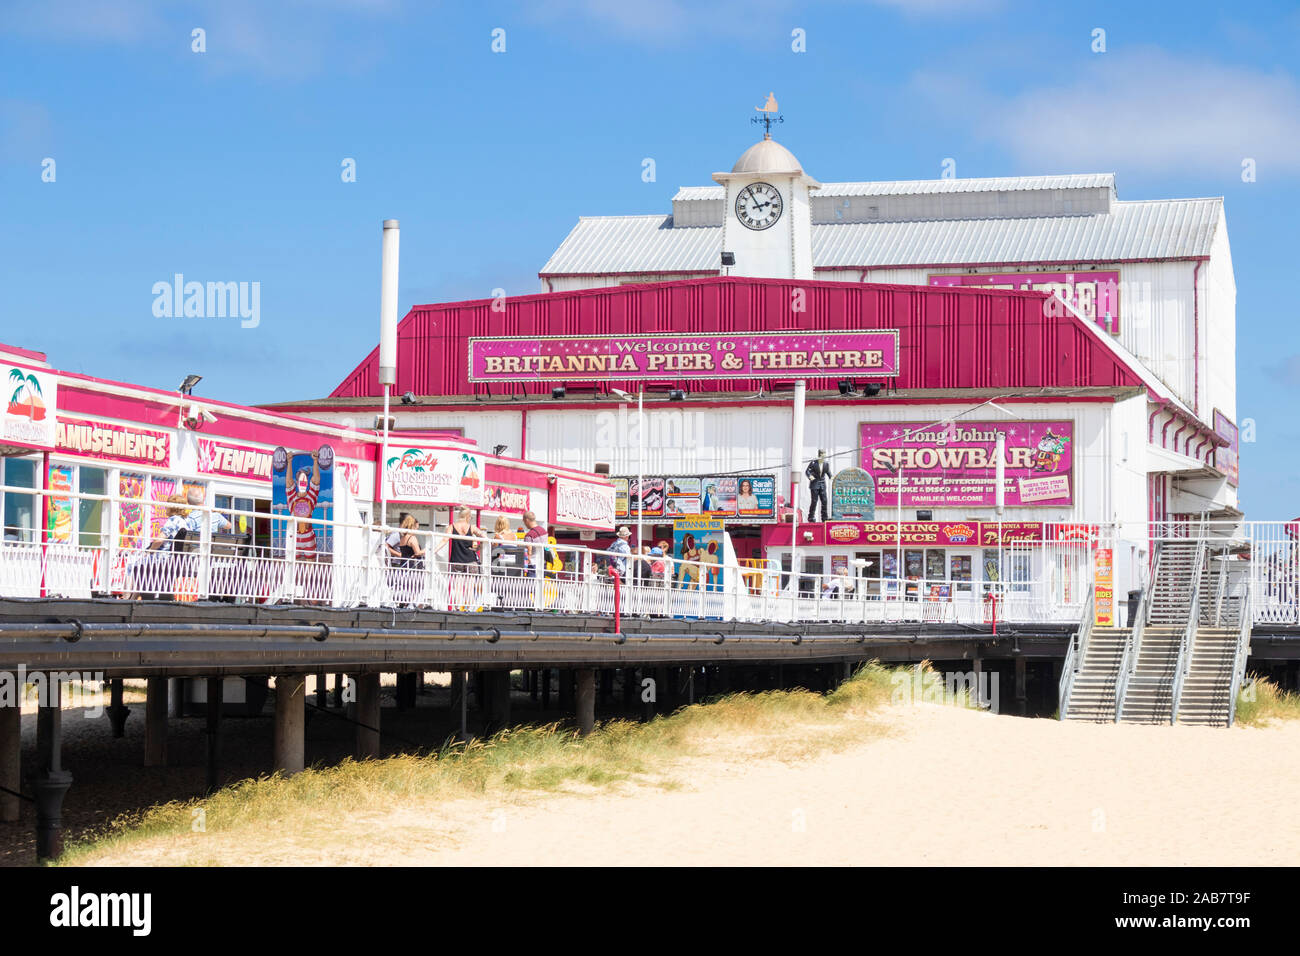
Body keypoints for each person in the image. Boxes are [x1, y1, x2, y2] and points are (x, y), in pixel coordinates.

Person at [285, 450, 322, 561]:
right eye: (300, 480)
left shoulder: (311, 496)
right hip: (294, 537)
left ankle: (310, 578)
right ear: (297, 482)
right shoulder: (292, 497)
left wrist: (315, 461)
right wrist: (289, 462)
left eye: (305, 479)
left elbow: (316, 479)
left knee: (310, 565)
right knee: (293, 565)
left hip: (308, 536)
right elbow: (288, 481)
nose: (303, 481)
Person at [445, 507, 486, 573]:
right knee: (471, 582)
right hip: (471, 561)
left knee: (456, 583)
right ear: (468, 516)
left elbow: (444, 540)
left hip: (456, 560)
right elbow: (484, 537)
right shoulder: (472, 527)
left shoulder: (452, 527)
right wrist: (479, 546)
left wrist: (434, 550)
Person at [806, 450, 831, 522]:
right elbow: (807, 471)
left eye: (825, 454)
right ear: (820, 455)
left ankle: (824, 517)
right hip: (814, 484)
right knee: (814, 501)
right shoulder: (814, 462)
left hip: (822, 484)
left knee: (824, 501)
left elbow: (828, 472)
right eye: (823, 454)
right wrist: (810, 476)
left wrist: (831, 477)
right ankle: (811, 517)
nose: (824, 456)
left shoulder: (826, 463)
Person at [522, 510, 548, 577]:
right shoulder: (544, 531)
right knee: (540, 585)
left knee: (531, 586)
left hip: (533, 565)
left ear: (527, 520)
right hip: (543, 563)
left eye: (524, 521)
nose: (524, 523)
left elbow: (529, 552)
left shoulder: (529, 535)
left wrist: (525, 565)